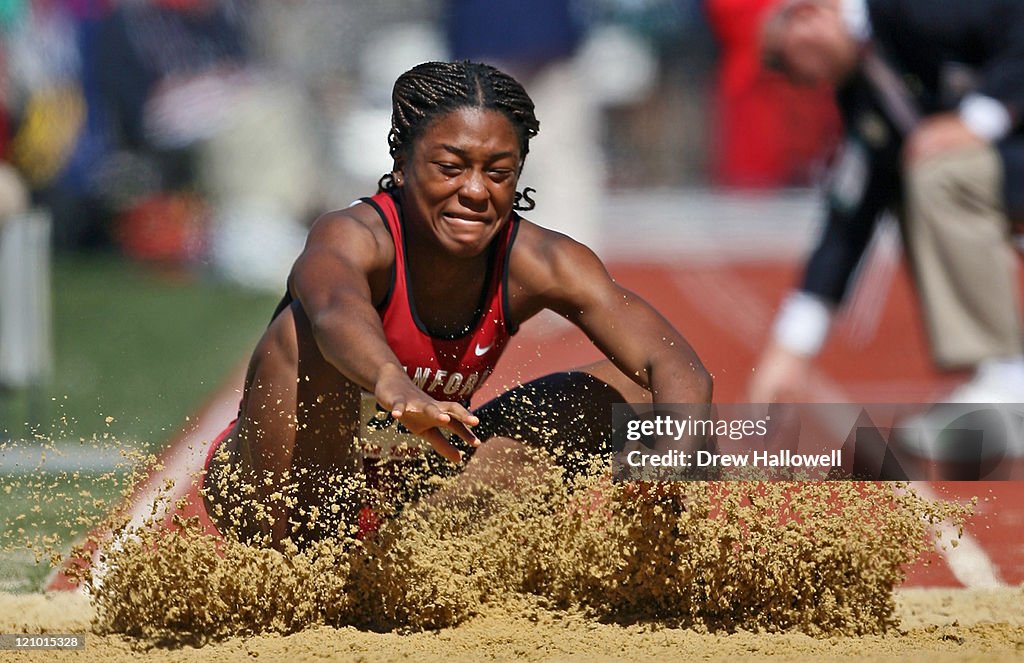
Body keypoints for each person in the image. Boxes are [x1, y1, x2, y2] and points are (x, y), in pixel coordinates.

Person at [201, 61, 712, 549]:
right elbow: (334, 309)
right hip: (278, 491)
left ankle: (427, 561)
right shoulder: (354, 236)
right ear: (402, 166)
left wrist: (666, 474)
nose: (474, 190)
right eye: (450, 167)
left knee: (633, 393)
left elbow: (675, 365)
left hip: (412, 479)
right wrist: (394, 384)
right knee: (298, 335)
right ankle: (303, 568)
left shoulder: (541, 260)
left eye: (498, 172)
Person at [750, 0, 1024, 405]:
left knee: (938, 173)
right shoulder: (862, 91)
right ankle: (1000, 370)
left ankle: (1007, 378)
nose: (804, 78)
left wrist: (975, 120)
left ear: (811, 15)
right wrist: (792, 346)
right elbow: (850, 213)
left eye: (790, 58)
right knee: (915, 179)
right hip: (1000, 172)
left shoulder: (910, 10)